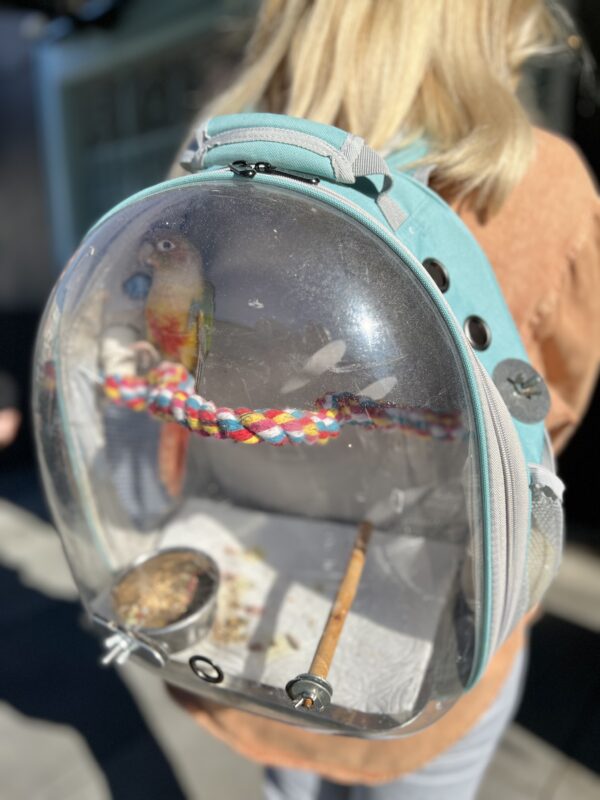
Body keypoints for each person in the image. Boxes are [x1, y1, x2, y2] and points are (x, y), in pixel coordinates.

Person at [168, 1, 600, 798]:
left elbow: (173, 400)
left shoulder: (217, 179)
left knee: (288, 775)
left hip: (257, 588)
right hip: (435, 632)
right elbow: (550, 410)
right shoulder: (539, 186)